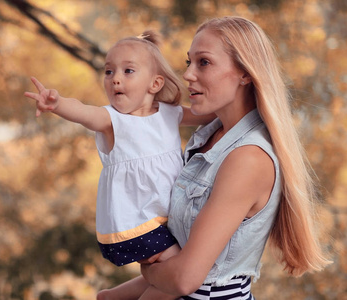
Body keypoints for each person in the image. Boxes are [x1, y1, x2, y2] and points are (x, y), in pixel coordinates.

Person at [102, 16, 331, 299]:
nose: (188, 75)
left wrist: (147, 267)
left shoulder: (247, 159)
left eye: (204, 62)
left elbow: (185, 279)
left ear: (245, 73)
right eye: (189, 62)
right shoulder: (207, 138)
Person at [24, 31, 215, 299]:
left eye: (128, 71)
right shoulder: (112, 120)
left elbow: (208, 113)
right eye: (109, 71)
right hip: (133, 223)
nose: (115, 78)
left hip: (159, 219)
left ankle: (111, 297)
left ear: (155, 83)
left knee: (164, 275)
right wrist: (57, 105)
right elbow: (83, 111)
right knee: (179, 276)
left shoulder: (169, 114)